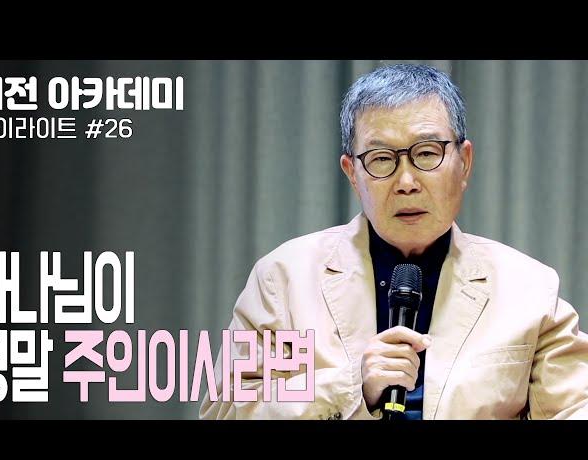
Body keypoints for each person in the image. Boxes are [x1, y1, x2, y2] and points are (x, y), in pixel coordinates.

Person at [199, 63, 588, 420]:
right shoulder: (283, 280)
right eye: (382, 159)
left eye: (427, 153)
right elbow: (226, 411)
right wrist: (352, 387)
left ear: (464, 163)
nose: (406, 182)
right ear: (352, 174)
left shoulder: (528, 288)